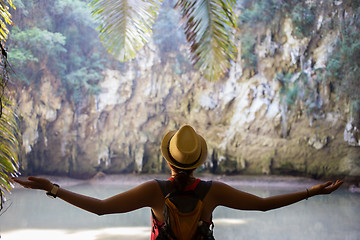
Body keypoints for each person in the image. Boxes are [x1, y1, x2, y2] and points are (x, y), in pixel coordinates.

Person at [12, 125, 343, 239]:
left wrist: (51, 188)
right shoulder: (213, 192)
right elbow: (264, 205)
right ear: (199, 161)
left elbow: (100, 210)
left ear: (168, 160)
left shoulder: (154, 191)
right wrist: (313, 191)